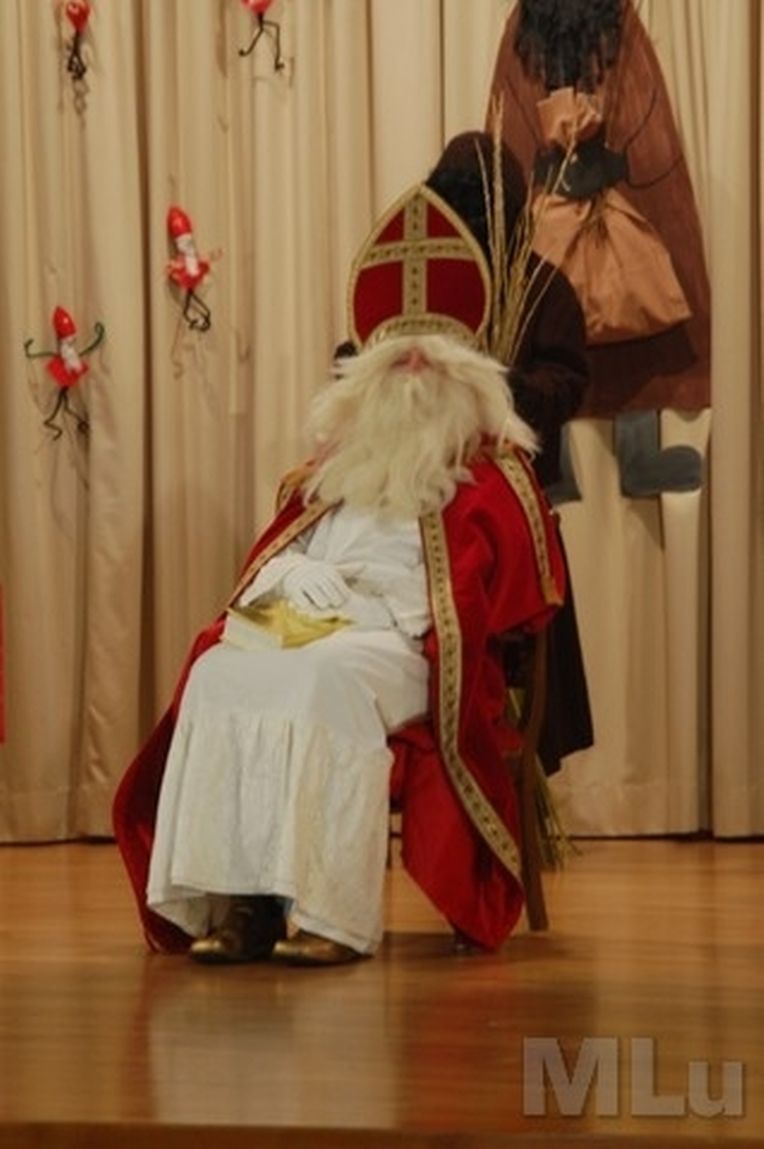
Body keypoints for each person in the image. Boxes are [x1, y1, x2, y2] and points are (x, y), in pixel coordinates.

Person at [113, 183, 566, 965]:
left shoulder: (493, 474)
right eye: (396, 366)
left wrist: (376, 603)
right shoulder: (332, 471)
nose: (411, 378)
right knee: (219, 669)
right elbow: (276, 554)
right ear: (366, 381)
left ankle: (330, 915)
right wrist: (290, 580)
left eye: (430, 366)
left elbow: (505, 596)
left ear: (465, 380)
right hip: (311, 630)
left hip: (406, 648)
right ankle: (243, 906)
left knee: (319, 680)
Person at [426, 130, 593, 774]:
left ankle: (511, 794)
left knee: (509, 691)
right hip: (419, 519)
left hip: (507, 522)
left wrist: (489, 385)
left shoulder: (543, 289)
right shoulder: (424, 282)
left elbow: (564, 386)